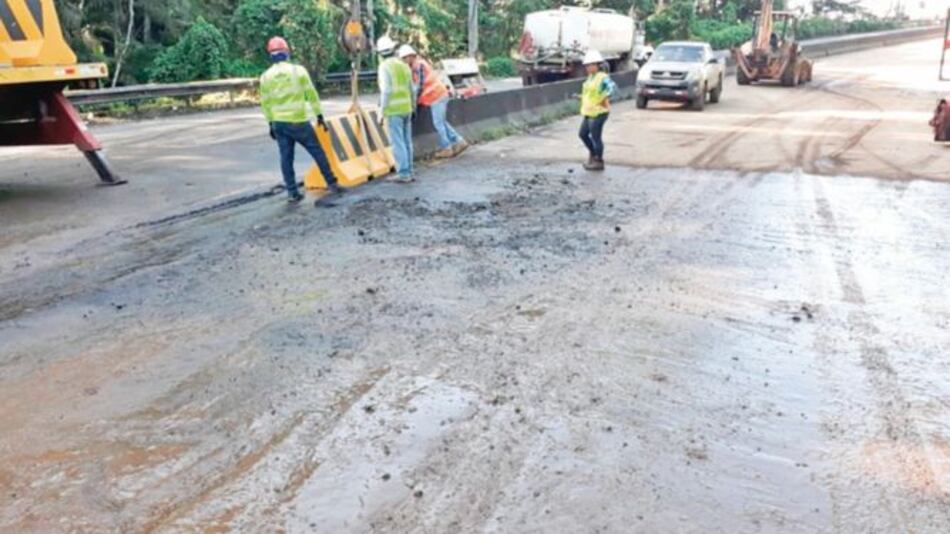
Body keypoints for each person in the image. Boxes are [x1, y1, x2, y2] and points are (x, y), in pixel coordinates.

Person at [259, 36, 343, 203]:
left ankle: (292, 192)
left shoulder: (265, 77)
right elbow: (311, 94)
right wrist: (319, 115)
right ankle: (332, 183)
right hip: (298, 121)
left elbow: (265, 102)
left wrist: (270, 123)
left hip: (279, 124)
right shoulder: (298, 71)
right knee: (317, 151)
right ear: (287, 52)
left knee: (286, 157)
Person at [398, 44, 468, 159]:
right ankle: (458, 141)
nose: (404, 61)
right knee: (441, 122)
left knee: (438, 123)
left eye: (405, 58)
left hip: (436, 96)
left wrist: (414, 102)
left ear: (410, 56)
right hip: (437, 96)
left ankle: (447, 148)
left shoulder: (418, 66)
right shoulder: (417, 65)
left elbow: (419, 86)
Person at [376, 36, 417, 183]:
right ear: (393, 50)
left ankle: (404, 173)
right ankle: (410, 170)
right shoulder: (403, 65)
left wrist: (381, 112)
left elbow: (386, 91)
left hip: (394, 111)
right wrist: (413, 107)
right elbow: (412, 89)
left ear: (380, 53)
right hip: (407, 109)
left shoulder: (384, 67)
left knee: (398, 142)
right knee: (407, 141)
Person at [578, 49, 617, 171]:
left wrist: (604, 98)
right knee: (582, 134)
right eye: (586, 65)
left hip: (599, 112)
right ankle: (593, 154)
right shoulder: (590, 78)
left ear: (597, 65)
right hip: (589, 112)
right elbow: (589, 94)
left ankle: (598, 160)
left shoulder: (602, 77)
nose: (588, 68)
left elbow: (613, 88)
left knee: (596, 137)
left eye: (590, 65)